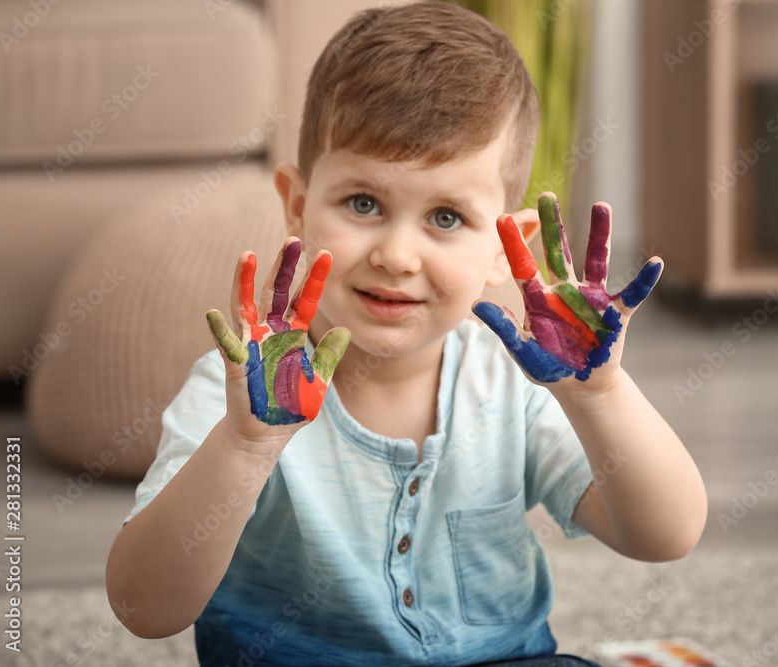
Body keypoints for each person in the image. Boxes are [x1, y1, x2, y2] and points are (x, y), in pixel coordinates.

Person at [105, 3, 707, 666]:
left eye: (446, 216)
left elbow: (666, 535)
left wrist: (600, 396)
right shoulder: (243, 393)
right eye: (363, 203)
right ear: (299, 208)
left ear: (509, 248)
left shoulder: (518, 384)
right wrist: (246, 447)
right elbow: (143, 607)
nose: (396, 254)